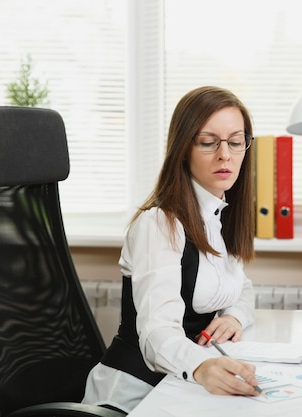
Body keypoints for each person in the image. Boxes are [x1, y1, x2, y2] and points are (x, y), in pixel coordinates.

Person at [82, 86, 259, 413]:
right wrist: (202, 367)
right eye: (208, 142)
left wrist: (234, 316)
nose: (225, 155)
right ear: (183, 148)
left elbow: (243, 290)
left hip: (179, 385)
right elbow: (157, 334)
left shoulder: (220, 215)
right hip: (131, 397)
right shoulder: (160, 224)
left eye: (235, 142)